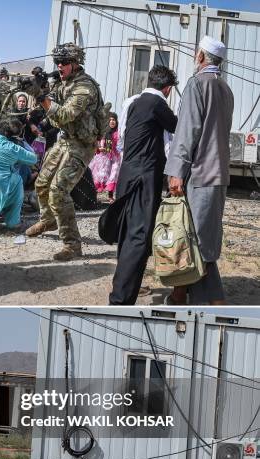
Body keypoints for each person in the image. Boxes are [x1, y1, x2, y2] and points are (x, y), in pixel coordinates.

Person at [165, 36, 234, 306]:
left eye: (197, 54)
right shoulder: (225, 88)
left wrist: (176, 171)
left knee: (195, 241)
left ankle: (203, 299)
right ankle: (180, 294)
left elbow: (187, 132)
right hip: (219, 174)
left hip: (200, 175)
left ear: (202, 57)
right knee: (202, 238)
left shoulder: (197, 85)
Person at [26, 43, 104, 261]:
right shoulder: (63, 83)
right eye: (57, 62)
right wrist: (41, 90)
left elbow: (66, 114)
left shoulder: (84, 87)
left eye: (64, 62)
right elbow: (52, 112)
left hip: (82, 144)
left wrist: (41, 97)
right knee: (41, 183)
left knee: (58, 190)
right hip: (65, 140)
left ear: (76, 63)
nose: (60, 66)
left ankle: (72, 245)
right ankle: (48, 219)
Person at [109, 65, 179, 305]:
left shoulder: (133, 102)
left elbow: (122, 138)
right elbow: (178, 128)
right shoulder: (158, 104)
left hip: (127, 173)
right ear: (167, 88)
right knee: (139, 236)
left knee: (126, 231)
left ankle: (125, 284)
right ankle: (120, 298)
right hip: (145, 175)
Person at [89, 113, 121, 200]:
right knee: (98, 176)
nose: (112, 122)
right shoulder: (103, 132)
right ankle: (94, 196)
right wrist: (99, 148)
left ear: (116, 121)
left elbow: (120, 145)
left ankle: (110, 196)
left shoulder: (118, 133)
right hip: (102, 158)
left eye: (113, 120)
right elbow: (96, 143)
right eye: (110, 120)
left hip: (114, 158)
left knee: (113, 175)